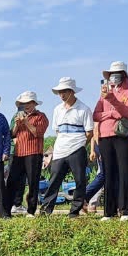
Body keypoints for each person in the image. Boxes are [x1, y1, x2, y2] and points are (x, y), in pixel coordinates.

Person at [93, 62, 128, 221]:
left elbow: (127, 112)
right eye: (112, 73)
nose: (114, 76)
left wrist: (112, 101)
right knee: (108, 173)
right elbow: (96, 115)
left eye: (118, 73)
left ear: (124, 75)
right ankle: (109, 212)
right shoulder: (104, 93)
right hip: (105, 136)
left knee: (125, 171)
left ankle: (126, 211)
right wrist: (112, 113)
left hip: (122, 136)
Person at [43, 78, 95, 217]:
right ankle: (46, 210)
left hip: (77, 148)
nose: (62, 95)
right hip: (60, 150)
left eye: (64, 92)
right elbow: (57, 131)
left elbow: (89, 132)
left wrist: (81, 145)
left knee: (80, 181)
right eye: (60, 92)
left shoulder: (83, 109)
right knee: (54, 181)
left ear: (72, 92)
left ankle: (74, 211)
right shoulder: (57, 110)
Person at [3, 92, 48, 218]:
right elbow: (12, 134)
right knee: (12, 181)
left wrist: (26, 122)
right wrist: (18, 124)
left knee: (33, 182)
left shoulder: (41, 116)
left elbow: (37, 132)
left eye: (29, 102)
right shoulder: (18, 116)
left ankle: (31, 211)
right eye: (24, 103)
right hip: (18, 152)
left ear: (34, 103)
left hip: (34, 153)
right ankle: (7, 210)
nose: (26, 105)